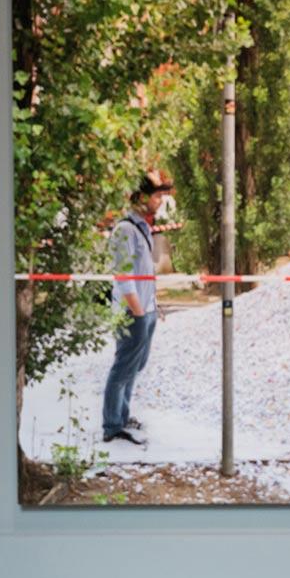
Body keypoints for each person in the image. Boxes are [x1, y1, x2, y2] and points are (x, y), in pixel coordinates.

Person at [101, 172, 171, 446]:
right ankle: (112, 424)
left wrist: (153, 306)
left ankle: (122, 414)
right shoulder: (125, 230)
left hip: (147, 308)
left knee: (136, 365)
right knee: (123, 366)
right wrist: (138, 311)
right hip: (133, 311)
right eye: (156, 196)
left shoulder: (142, 227)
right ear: (141, 198)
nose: (160, 201)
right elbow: (124, 275)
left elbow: (145, 273)